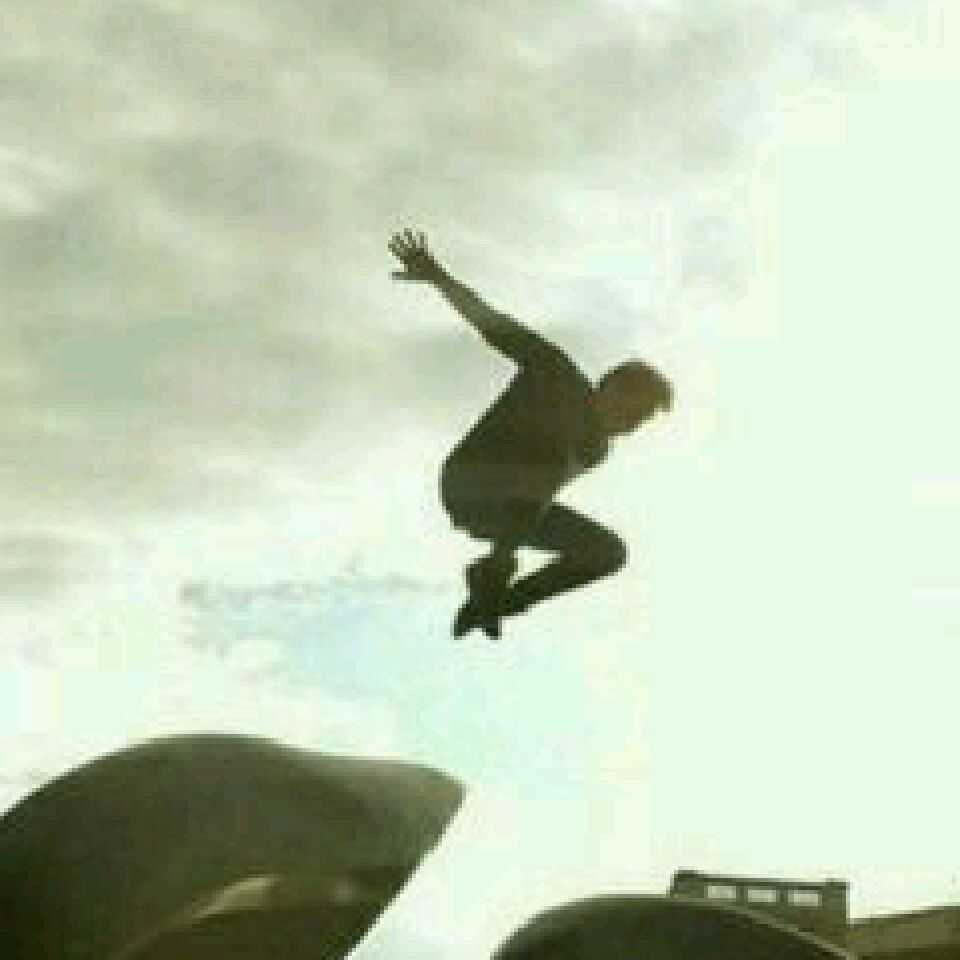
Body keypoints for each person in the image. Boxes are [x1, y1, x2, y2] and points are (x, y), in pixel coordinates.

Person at [389, 230, 672, 639]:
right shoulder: (555, 373)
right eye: (633, 412)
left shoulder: (597, 449)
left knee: (608, 552)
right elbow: (493, 325)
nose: (632, 426)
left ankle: (496, 602)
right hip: (468, 483)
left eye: (640, 422)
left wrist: (506, 556)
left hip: (508, 514)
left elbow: (541, 494)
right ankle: (494, 572)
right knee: (550, 457)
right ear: (610, 386)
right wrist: (438, 276)